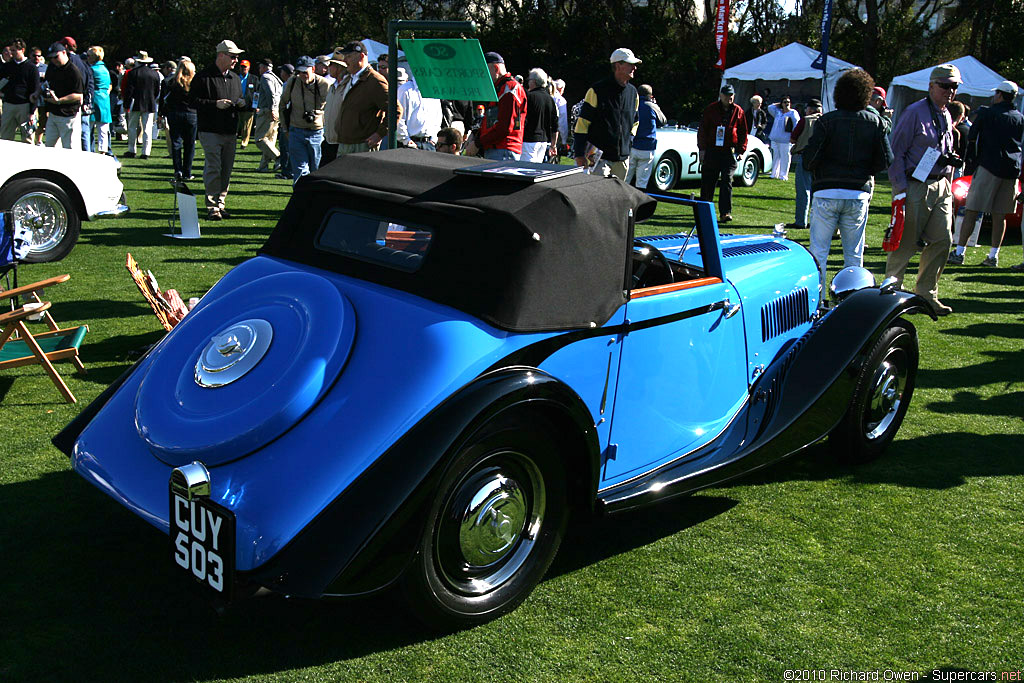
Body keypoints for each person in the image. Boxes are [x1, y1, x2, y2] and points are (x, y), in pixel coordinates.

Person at [884, 64, 962, 316]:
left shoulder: (946, 114)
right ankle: (892, 292)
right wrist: (901, 190)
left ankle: (927, 293)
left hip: (941, 184)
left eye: (954, 87)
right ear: (931, 86)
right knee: (906, 243)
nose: (950, 91)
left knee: (943, 240)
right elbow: (896, 153)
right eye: (945, 86)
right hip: (915, 185)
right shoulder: (914, 112)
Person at [803, 69, 892, 287]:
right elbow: (886, 160)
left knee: (818, 253)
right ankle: (853, 300)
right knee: (854, 255)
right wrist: (866, 169)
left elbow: (809, 159)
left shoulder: (826, 121)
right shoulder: (876, 122)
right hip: (858, 192)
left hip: (827, 190)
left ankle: (818, 301)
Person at [948, 80, 1024, 268]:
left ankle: (959, 252)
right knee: (1000, 216)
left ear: (999, 95)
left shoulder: (987, 113)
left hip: (988, 167)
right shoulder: (1020, 117)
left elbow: (973, 139)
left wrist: (971, 163)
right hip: (1011, 170)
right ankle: (993, 256)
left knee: (972, 210)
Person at [193, 39, 247, 220]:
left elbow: (240, 98)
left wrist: (241, 103)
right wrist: (215, 104)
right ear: (221, 55)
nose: (236, 61)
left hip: (230, 130)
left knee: (226, 169)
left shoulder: (235, 78)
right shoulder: (203, 77)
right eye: (233, 57)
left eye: (237, 57)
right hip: (210, 130)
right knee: (214, 167)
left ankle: (221, 203)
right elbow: (193, 101)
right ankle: (212, 206)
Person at [572, 48, 641, 180]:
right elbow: (582, 124)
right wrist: (579, 154)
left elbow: (635, 121)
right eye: (630, 64)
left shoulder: (633, 93)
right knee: (597, 199)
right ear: (617, 65)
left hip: (622, 160)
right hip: (599, 160)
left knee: (619, 199)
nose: (634, 67)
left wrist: (628, 141)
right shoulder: (597, 90)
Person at [332, 40, 393, 156]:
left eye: (349, 56)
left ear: (361, 56)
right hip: (346, 144)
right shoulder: (351, 78)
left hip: (362, 147)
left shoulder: (375, 81)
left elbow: (395, 110)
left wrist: (379, 134)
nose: (345, 61)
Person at [697, 84, 747, 223]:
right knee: (708, 181)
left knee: (727, 180)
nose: (729, 98)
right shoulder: (711, 109)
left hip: (728, 151)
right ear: (721, 95)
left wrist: (741, 150)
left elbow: (743, 131)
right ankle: (705, 210)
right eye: (726, 95)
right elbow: (703, 130)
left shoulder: (738, 111)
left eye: (731, 95)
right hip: (712, 150)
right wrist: (702, 149)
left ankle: (725, 212)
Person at [465, 52, 526, 162]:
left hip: (503, 150)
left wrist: (478, 143)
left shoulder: (509, 89)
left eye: (484, 72)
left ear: (496, 68)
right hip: (499, 149)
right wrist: (477, 135)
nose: (482, 77)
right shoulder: (503, 88)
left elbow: (504, 128)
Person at [279, 55, 328, 182]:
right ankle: (300, 199)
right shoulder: (293, 81)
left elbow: (331, 108)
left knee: (316, 170)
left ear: (313, 68)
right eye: (299, 72)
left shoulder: (324, 84)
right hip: (296, 131)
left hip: (317, 132)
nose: (302, 75)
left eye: (304, 72)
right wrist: (285, 129)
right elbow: (282, 104)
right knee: (300, 171)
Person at [41, 42, 83, 149]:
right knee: (49, 147)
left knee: (70, 148)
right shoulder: (52, 67)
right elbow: (47, 83)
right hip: (53, 113)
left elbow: (78, 94)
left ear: (64, 53)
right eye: (51, 58)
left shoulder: (73, 71)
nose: (54, 60)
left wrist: (59, 100)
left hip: (69, 115)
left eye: (56, 57)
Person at [161, 58, 197, 180]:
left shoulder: (170, 82)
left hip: (175, 113)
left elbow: (164, 100)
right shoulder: (195, 83)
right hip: (191, 114)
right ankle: (187, 171)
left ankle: (178, 170)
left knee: (176, 143)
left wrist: (163, 113)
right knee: (189, 144)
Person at [788, 98, 822, 229]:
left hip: (805, 156)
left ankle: (800, 221)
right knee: (817, 192)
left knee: (803, 190)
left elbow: (793, 138)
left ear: (810, 109)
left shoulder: (805, 120)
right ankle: (816, 222)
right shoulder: (827, 120)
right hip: (821, 160)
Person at [624, 84, 666, 190]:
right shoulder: (651, 106)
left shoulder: (633, 104)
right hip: (647, 147)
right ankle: (638, 203)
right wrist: (656, 106)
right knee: (641, 182)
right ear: (650, 96)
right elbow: (663, 121)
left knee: (625, 178)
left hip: (631, 145)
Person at [0, 38, 39, 142]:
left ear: (22, 50)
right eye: (11, 50)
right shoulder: (7, 66)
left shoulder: (31, 67)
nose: (11, 53)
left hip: (24, 106)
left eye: (14, 50)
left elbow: (35, 90)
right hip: (8, 105)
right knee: (5, 138)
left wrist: (32, 112)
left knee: (27, 139)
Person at [123, 51, 160, 158]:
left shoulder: (132, 73)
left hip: (135, 102)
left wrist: (126, 104)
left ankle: (132, 150)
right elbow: (157, 91)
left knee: (132, 127)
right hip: (149, 103)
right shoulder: (154, 74)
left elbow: (129, 91)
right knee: (147, 128)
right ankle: (146, 152)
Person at [59, 37, 93, 152]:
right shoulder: (83, 62)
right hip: (83, 100)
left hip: (71, 102)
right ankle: (86, 153)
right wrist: (88, 101)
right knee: (84, 131)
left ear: (66, 47)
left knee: (71, 135)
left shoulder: (68, 62)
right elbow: (89, 82)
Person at [396, 69, 443, 151]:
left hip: (429, 144)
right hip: (409, 145)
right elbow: (399, 118)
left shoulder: (433, 91)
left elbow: (437, 117)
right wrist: (406, 140)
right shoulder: (405, 90)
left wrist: (434, 139)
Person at [521, 67, 557, 162]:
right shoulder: (550, 99)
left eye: (529, 80)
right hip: (543, 141)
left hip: (529, 140)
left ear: (534, 81)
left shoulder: (529, 96)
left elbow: (523, 119)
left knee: (525, 171)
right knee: (536, 171)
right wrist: (553, 145)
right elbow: (555, 125)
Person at [253, 59, 282, 172]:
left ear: (265, 67)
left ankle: (278, 157)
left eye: (260, 67)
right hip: (275, 111)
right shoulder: (276, 78)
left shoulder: (265, 77)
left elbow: (271, 93)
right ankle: (263, 166)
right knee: (270, 140)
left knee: (260, 139)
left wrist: (271, 109)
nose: (259, 69)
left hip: (267, 111)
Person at [321, 49, 347, 164]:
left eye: (331, 64)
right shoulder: (332, 87)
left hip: (341, 143)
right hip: (329, 140)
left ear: (339, 67)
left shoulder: (348, 87)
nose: (328, 67)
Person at [85, 46, 112, 154]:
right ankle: (103, 151)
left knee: (88, 127)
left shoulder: (92, 69)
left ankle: (88, 150)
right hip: (105, 99)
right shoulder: (105, 69)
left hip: (94, 98)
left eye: (88, 56)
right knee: (103, 129)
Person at [767, 95, 799, 180]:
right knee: (775, 157)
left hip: (786, 140)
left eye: (788, 102)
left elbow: (796, 125)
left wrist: (794, 137)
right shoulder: (778, 112)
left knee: (785, 158)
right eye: (785, 102)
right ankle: (774, 174)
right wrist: (779, 104)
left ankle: (783, 175)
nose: (787, 104)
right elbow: (770, 107)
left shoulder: (793, 112)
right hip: (775, 138)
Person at [274, 63, 294, 179]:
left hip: (288, 119)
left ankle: (287, 171)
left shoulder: (288, 84)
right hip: (290, 119)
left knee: (286, 146)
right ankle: (288, 170)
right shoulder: (292, 83)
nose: (280, 73)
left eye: (282, 71)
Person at [236, 59, 256, 147]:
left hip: (249, 106)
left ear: (249, 68)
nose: (243, 68)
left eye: (245, 67)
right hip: (236, 105)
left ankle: (244, 142)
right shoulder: (235, 77)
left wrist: (256, 105)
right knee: (237, 124)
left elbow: (256, 93)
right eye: (242, 66)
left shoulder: (254, 79)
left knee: (247, 126)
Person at [552, 78, 568, 158]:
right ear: (561, 88)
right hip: (555, 134)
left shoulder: (546, 96)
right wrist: (564, 141)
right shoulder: (561, 100)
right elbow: (562, 122)